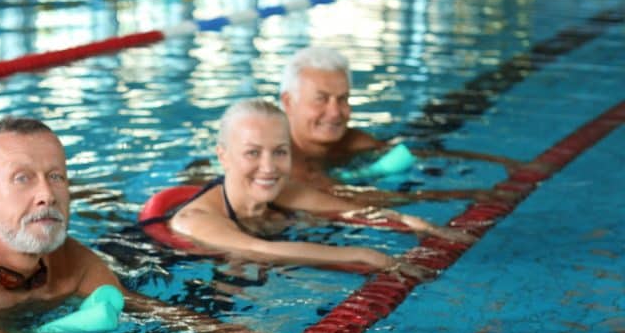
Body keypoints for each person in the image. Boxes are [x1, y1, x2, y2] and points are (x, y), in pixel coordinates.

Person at [0, 116, 299, 333]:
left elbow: (147, 308)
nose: (47, 194)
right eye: (23, 178)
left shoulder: (68, 259)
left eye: (56, 177)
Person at [163, 98, 472, 274]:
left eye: (280, 152)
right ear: (224, 156)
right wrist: (361, 254)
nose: (269, 167)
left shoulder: (282, 191)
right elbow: (262, 250)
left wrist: (415, 224)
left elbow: (354, 210)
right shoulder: (196, 220)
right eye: (253, 153)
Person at [278, 45, 521, 205]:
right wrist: (464, 195)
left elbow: (415, 154)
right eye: (321, 99)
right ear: (288, 102)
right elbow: (347, 199)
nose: (335, 113)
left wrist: (502, 163)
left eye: (343, 99)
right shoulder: (284, 161)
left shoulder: (351, 141)